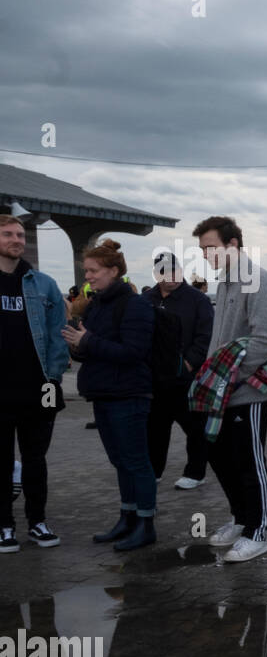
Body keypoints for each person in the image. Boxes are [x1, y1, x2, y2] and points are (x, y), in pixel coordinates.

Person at [193, 216, 267, 563]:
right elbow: (221, 338)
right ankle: (241, 519)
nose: (205, 255)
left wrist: (229, 377)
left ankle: (257, 533)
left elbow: (265, 339)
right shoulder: (225, 283)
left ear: (232, 245)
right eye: (202, 250)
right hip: (221, 392)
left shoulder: (256, 280)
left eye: (211, 247)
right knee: (221, 457)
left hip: (248, 393)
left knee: (249, 462)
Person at [61, 239, 156, 551]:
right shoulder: (97, 304)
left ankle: (145, 524)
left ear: (114, 271)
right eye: (86, 270)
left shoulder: (135, 304)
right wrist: (78, 347)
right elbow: (95, 348)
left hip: (129, 394)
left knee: (136, 461)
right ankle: (127, 517)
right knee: (120, 461)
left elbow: (134, 352)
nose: (87, 276)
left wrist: (87, 342)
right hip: (103, 393)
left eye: (93, 270)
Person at [0, 215, 69, 553]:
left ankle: (38, 523)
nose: (17, 239)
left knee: (36, 460)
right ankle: (4, 527)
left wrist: (53, 379)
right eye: (8, 234)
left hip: (39, 388)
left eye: (20, 234)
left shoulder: (43, 284)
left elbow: (59, 335)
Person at [145, 251, 213, 490]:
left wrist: (189, 363)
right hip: (155, 377)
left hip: (187, 377)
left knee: (194, 427)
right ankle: (153, 470)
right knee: (154, 427)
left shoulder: (197, 300)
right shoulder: (147, 299)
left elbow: (206, 336)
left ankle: (196, 472)